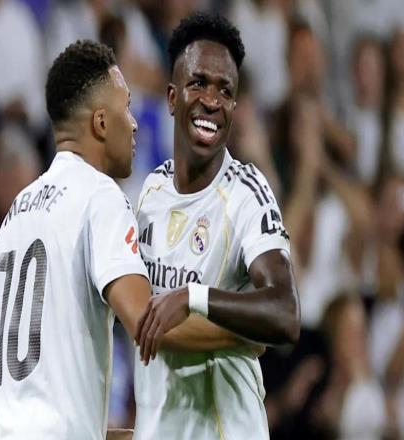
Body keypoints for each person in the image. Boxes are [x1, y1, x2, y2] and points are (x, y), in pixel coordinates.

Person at [0, 39, 240, 440]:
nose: (134, 124)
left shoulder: (16, 213)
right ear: (101, 123)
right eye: (127, 107)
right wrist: (240, 334)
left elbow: (36, 389)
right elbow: (149, 325)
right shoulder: (99, 196)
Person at [134, 13, 300, 439]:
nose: (211, 100)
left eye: (225, 90)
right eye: (199, 83)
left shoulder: (247, 193)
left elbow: (285, 313)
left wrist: (194, 297)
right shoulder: (150, 193)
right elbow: (141, 323)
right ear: (172, 98)